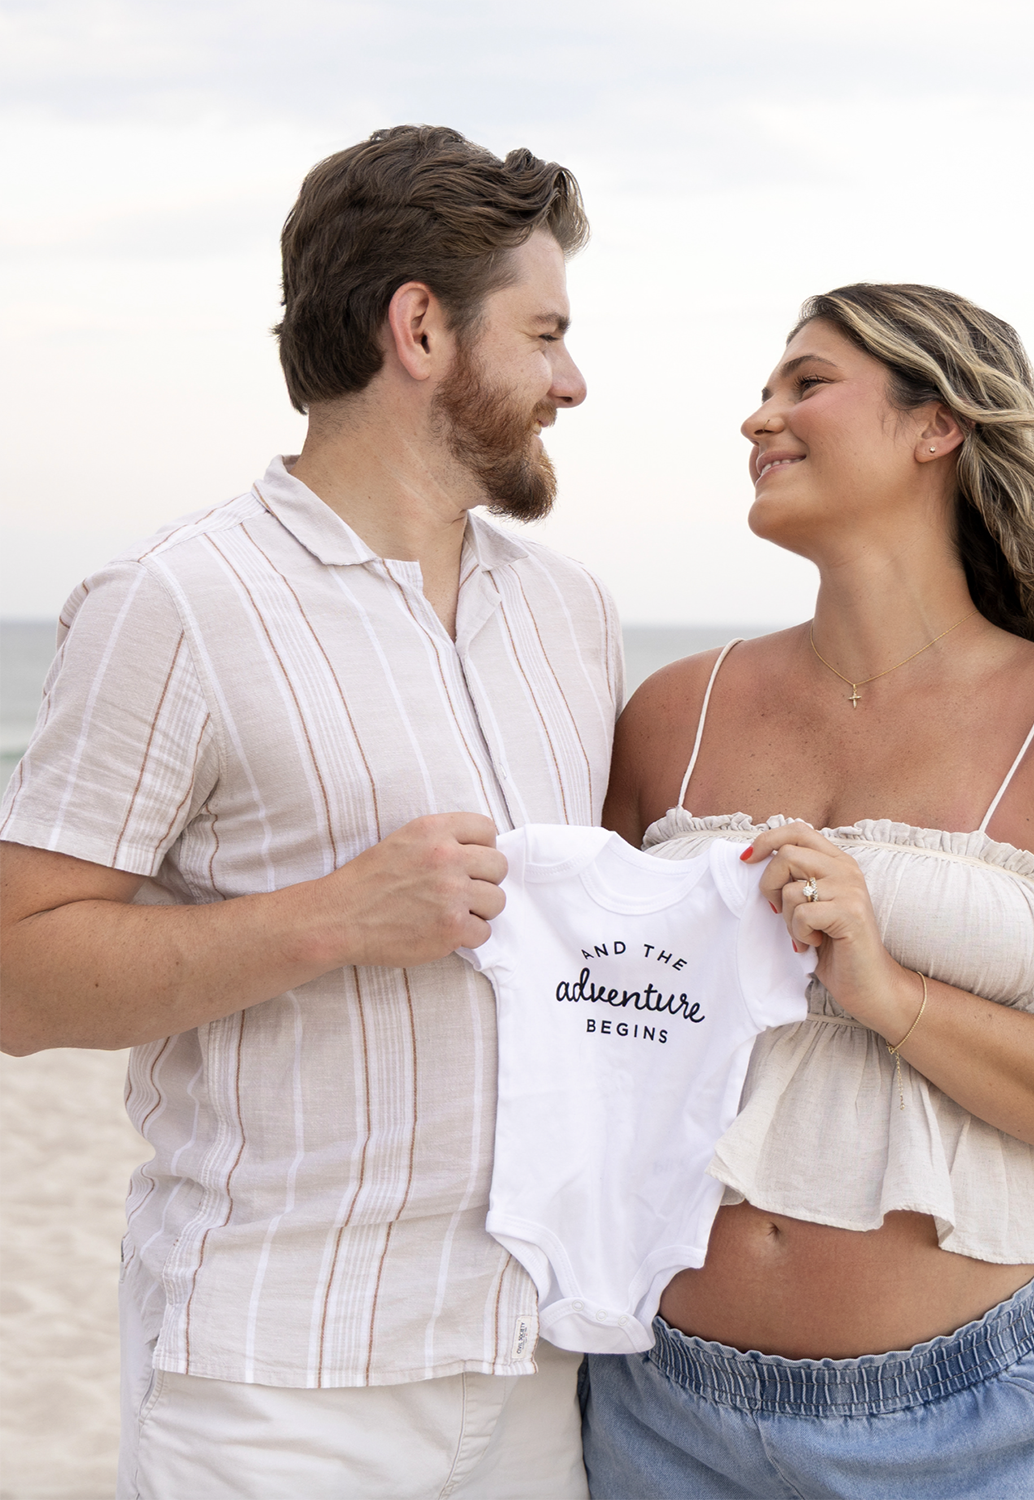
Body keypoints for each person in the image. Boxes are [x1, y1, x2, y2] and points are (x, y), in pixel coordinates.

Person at [0, 125, 620, 1499]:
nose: (572, 381)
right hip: (275, 1382)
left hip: (539, 1360)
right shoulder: (176, 602)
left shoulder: (573, 615)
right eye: (545, 335)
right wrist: (334, 918)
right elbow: (18, 976)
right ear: (421, 329)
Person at [587, 282, 1034, 1498]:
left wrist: (892, 994)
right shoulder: (672, 714)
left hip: (975, 1430)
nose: (760, 417)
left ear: (938, 425)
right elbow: (592, 1041)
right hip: (659, 1412)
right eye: (765, 389)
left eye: (806, 383)